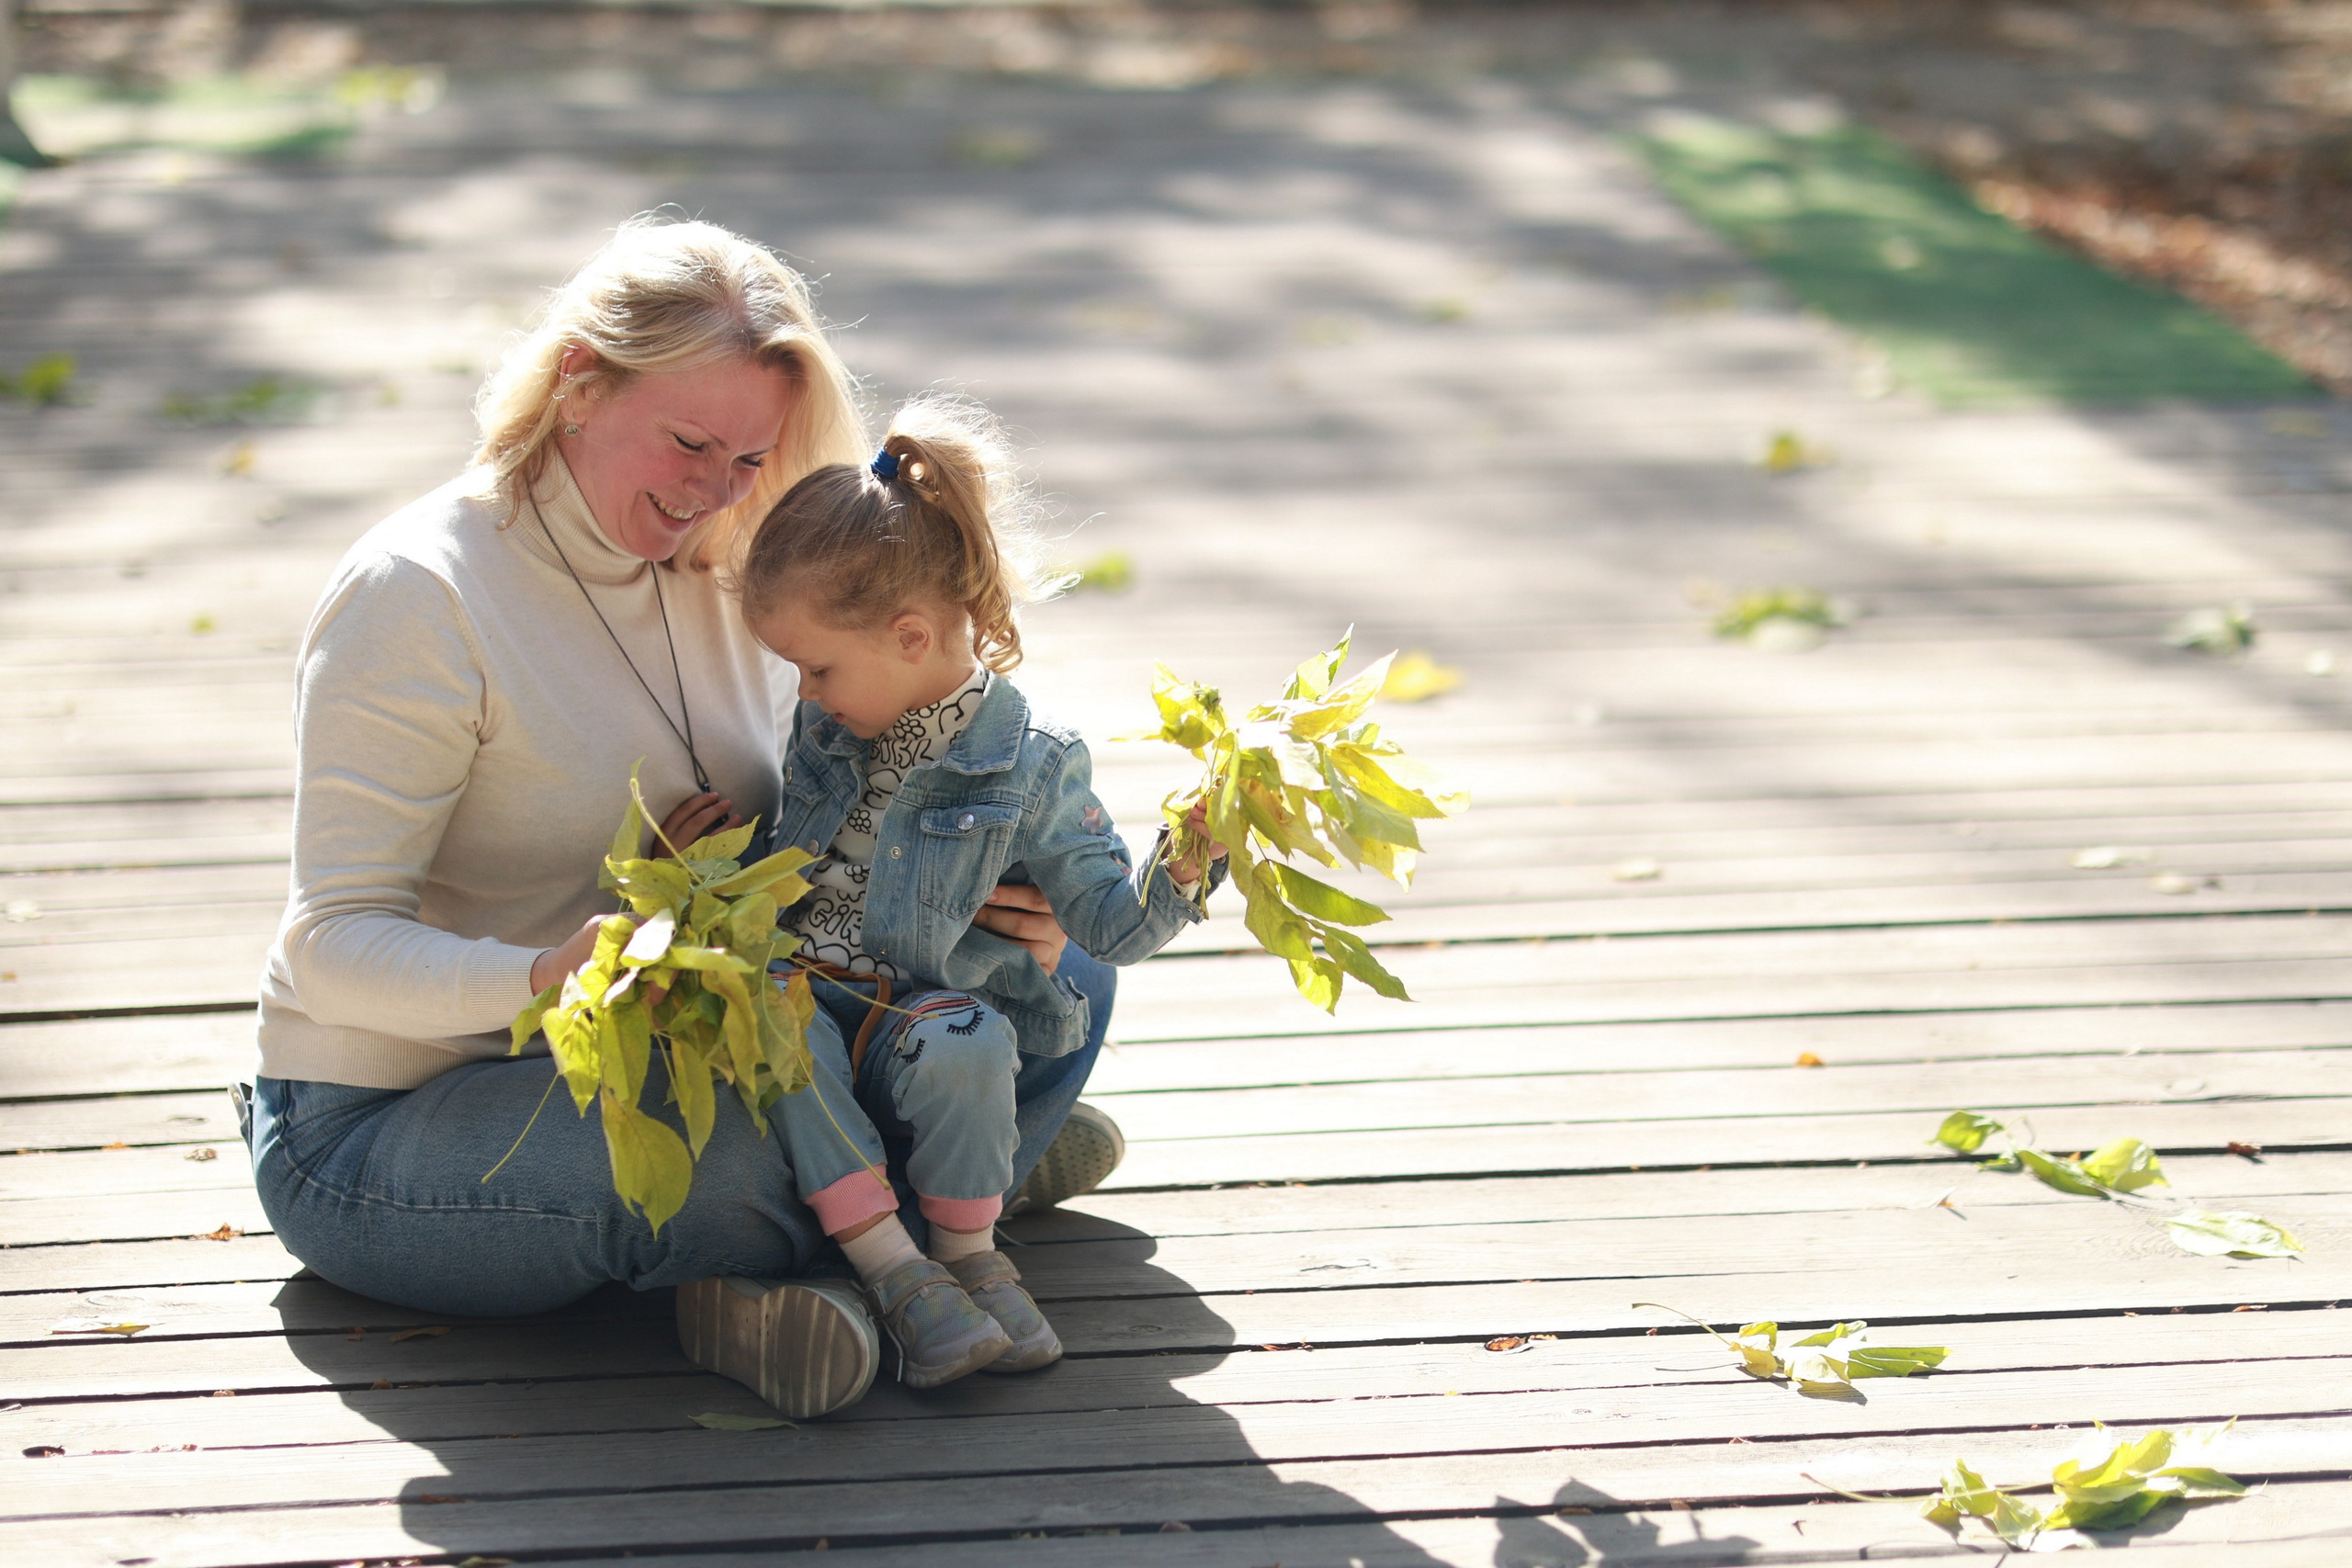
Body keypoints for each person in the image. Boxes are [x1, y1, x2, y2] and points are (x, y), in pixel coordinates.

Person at [242, 218, 1126, 1422]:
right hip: (405, 1110)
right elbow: (326, 948)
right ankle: (964, 1193)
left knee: (1057, 966)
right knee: (750, 1160)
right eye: (689, 439)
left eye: (750, 458)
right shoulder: (422, 595)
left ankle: (871, 1253)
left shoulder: (730, 565)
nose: (715, 488)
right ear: (576, 385)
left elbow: (837, 820)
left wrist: (982, 874)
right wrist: (560, 970)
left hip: (713, 1042)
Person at [724, 396, 1226, 1390]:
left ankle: (969, 1258)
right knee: (767, 1018)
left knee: (972, 1041)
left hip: (917, 1007)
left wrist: (1182, 863)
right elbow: (801, 865)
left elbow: (1108, 931)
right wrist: (726, 863)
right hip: (808, 988)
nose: (806, 694)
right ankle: (894, 1271)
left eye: (817, 667)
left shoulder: (1032, 766)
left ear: (910, 637)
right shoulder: (831, 731)